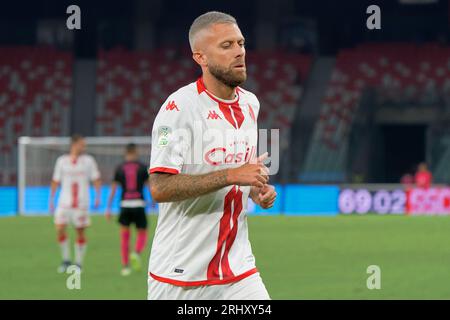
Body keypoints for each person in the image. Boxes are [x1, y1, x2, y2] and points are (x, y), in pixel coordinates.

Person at [147, 11, 277, 300]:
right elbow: (159, 188)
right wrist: (231, 176)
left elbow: (242, 172)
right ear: (200, 57)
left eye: (241, 43)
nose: (239, 52)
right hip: (180, 277)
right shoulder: (177, 109)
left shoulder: (250, 104)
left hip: (238, 271)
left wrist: (256, 190)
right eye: (226, 45)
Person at [50, 134, 101, 273]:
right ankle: (66, 260)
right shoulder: (62, 161)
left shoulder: (89, 161)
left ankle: (78, 263)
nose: (84, 147)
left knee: (80, 232)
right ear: (74, 144)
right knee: (60, 228)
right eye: (82, 144)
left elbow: (96, 178)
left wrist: (97, 196)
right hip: (64, 203)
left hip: (81, 204)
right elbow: (55, 180)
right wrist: (51, 199)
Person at [106, 143, 150, 276]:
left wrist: (108, 207)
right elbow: (149, 186)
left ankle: (125, 267)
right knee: (143, 232)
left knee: (125, 237)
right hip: (139, 204)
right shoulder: (142, 167)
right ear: (135, 152)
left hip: (124, 204)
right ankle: (136, 252)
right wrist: (153, 201)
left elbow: (113, 188)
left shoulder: (119, 168)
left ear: (126, 153)